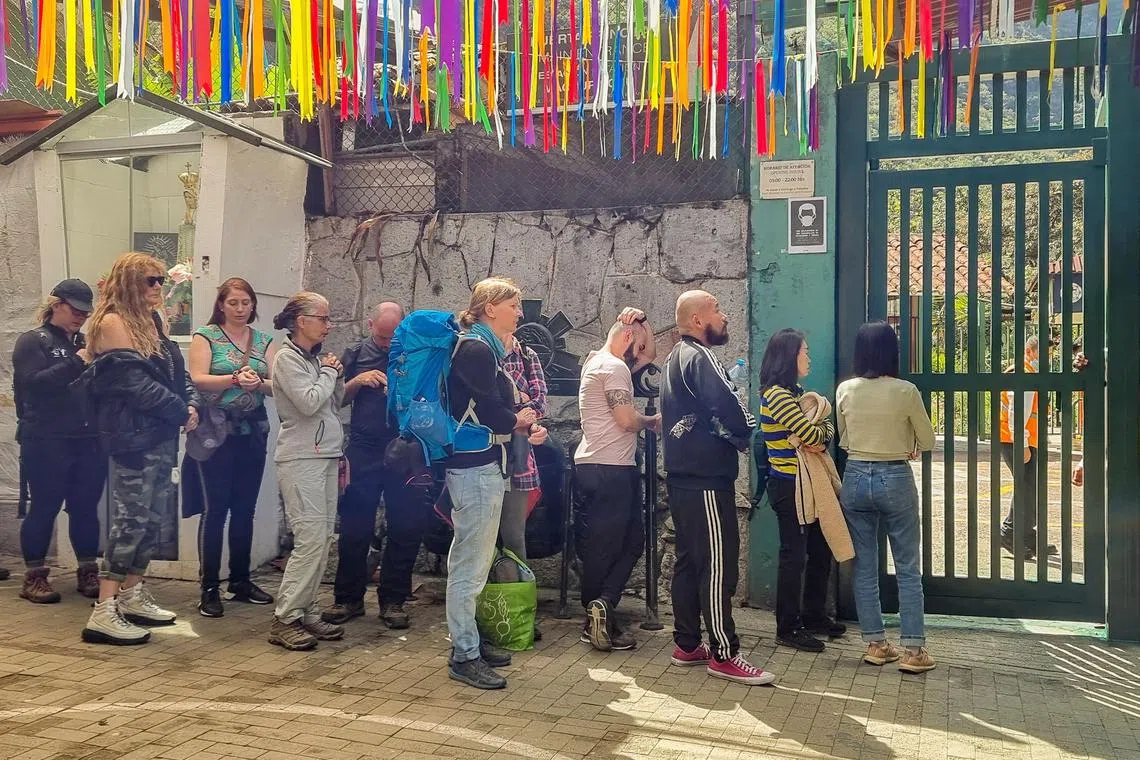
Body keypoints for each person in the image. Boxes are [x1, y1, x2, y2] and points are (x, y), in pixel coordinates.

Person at [80, 252, 202, 645]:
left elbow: (175, 370)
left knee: (152, 518)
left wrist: (190, 404)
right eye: (151, 280)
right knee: (129, 520)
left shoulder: (150, 321)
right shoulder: (111, 323)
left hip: (161, 432)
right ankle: (104, 608)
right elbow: (134, 385)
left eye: (161, 280)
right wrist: (180, 411)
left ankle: (131, 594)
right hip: (132, 437)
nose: (158, 288)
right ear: (129, 281)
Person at [661, 290, 775, 686]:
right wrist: (746, 429)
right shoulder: (701, 356)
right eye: (717, 310)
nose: (724, 317)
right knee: (717, 565)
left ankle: (688, 643)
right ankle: (724, 653)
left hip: (683, 478)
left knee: (691, 562)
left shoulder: (675, 357)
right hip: (706, 480)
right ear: (697, 320)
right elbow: (727, 404)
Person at [446, 277, 548, 690]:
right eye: (514, 305)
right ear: (490, 307)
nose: (520, 313)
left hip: (484, 463)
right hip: (475, 468)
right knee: (469, 566)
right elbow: (488, 409)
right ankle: (464, 654)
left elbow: (493, 405)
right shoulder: (475, 348)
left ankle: (471, 640)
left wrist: (520, 423)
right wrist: (518, 422)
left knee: (477, 561)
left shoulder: (482, 346)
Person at [836, 322, 937, 674]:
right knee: (907, 565)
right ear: (891, 352)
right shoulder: (906, 391)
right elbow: (927, 440)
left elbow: (844, 439)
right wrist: (906, 441)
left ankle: (876, 644)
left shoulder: (845, 389)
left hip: (855, 475)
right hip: (894, 475)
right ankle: (913, 650)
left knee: (864, 565)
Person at [321, 302, 415, 630]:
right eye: (382, 337)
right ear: (370, 324)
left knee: (405, 526)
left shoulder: (414, 352)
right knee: (355, 526)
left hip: (406, 450)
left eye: (393, 337)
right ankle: (347, 598)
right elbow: (335, 399)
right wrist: (359, 380)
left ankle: (393, 600)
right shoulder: (356, 352)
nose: (388, 344)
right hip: (365, 449)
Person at [187, 278, 277, 617]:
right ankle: (209, 585)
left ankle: (240, 579)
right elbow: (198, 377)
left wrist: (260, 383)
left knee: (245, 509)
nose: (240, 309)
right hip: (216, 431)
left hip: (252, 430)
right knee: (216, 510)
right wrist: (235, 379)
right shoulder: (205, 336)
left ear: (253, 305)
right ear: (221, 305)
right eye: (233, 303)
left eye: (246, 303)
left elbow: (276, 385)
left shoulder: (265, 340)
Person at [13, 279, 105, 603]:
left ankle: (88, 569)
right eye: (75, 310)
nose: (81, 316)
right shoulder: (33, 341)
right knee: (45, 507)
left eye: (86, 312)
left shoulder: (85, 341)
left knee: (84, 509)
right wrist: (78, 361)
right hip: (46, 439)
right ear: (57, 305)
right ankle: (35, 576)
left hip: (87, 439)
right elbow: (34, 384)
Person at [574, 309, 658, 652]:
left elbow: (650, 353)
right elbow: (625, 419)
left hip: (595, 464)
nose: (639, 356)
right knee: (610, 549)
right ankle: (598, 611)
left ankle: (602, 607)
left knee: (623, 542)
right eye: (635, 346)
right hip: (611, 468)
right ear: (625, 340)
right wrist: (650, 421)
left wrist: (643, 321)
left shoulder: (595, 362)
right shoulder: (614, 367)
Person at [268, 292, 347, 651]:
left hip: (324, 454)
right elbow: (309, 402)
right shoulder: (287, 358)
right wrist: (330, 372)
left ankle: (307, 610)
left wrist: (336, 376)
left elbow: (333, 401)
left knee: (322, 538)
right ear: (302, 321)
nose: (328, 326)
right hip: (302, 458)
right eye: (323, 318)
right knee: (310, 539)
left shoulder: (311, 359)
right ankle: (286, 617)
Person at [759, 328, 842, 653]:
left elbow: (820, 432)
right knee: (793, 556)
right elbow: (814, 436)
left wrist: (823, 429)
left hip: (806, 483)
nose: (809, 357)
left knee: (820, 551)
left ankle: (814, 615)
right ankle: (788, 627)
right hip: (789, 485)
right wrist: (824, 427)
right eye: (804, 351)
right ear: (789, 356)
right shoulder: (777, 395)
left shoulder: (794, 393)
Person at [999, 337, 1057, 559]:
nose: (1046, 359)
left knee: (1030, 487)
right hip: (1015, 440)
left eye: (1049, 355)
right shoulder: (1022, 373)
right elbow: (1017, 412)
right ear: (1029, 352)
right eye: (1042, 353)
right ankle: (1009, 532)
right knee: (1024, 486)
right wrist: (1021, 443)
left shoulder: (1032, 374)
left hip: (1024, 440)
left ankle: (1026, 535)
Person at [500, 333, 548, 563]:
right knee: (478, 534)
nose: (518, 313)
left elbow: (539, 405)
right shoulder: (479, 351)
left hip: (518, 454)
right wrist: (518, 400)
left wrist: (526, 419)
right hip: (482, 453)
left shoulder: (528, 357)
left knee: (514, 535)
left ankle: (513, 594)